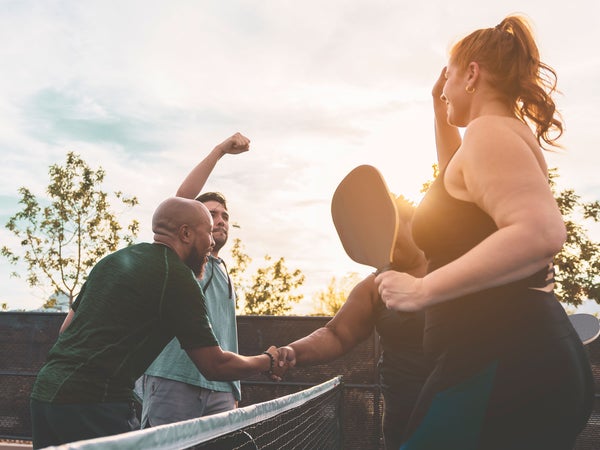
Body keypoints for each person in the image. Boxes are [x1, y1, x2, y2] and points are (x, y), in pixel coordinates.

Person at [375, 15, 594, 449]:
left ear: (472, 74)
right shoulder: (492, 136)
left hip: (501, 358)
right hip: (509, 356)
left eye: (451, 77)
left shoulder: (490, 134)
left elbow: (541, 232)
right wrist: (440, 114)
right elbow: (458, 197)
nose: (446, 88)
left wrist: (422, 291)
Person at [29, 197, 281, 449]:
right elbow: (214, 365)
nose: (212, 242)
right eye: (207, 234)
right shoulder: (178, 278)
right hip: (94, 403)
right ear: (186, 233)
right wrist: (267, 360)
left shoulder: (114, 260)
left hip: (45, 395)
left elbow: (66, 329)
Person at [276, 196, 432, 449]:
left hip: (464, 405)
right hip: (404, 418)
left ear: (414, 223)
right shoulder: (374, 285)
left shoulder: (456, 267)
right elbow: (337, 334)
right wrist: (293, 351)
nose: (384, 243)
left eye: (390, 230)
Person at [141, 133, 249, 427]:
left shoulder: (223, 271)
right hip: (172, 380)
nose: (221, 219)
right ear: (189, 226)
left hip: (221, 390)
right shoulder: (181, 260)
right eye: (212, 214)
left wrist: (233, 386)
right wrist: (220, 150)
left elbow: (226, 336)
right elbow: (180, 201)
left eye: (225, 215)